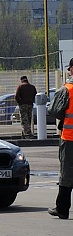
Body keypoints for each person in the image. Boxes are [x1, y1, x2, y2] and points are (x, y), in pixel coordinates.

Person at [47, 58, 73, 220]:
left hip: (70, 138)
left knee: (67, 173)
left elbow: (54, 110)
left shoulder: (68, 89)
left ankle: (62, 208)